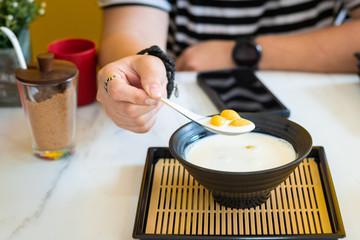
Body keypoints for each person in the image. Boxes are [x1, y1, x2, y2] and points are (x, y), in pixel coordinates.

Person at [96, 0, 360, 133]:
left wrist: (237, 53)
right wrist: (137, 66)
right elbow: (131, 29)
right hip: (175, 113)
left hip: (329, 116)